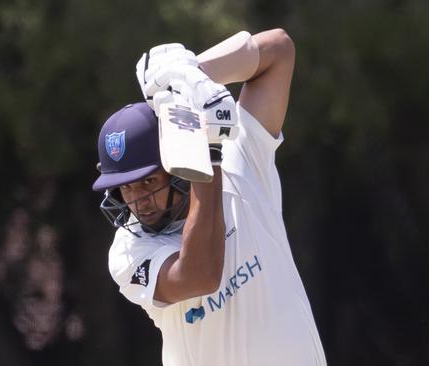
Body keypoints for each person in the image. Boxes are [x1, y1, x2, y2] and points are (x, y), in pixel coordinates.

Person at [92, 29, 327, 365]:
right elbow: (200, 275)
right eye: (126, 187)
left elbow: (278, 51)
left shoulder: (242, 160)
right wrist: (207, 153)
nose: (137, 200)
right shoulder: (129, 251)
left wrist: (189, 80)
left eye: (148, 182)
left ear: (172, 161)